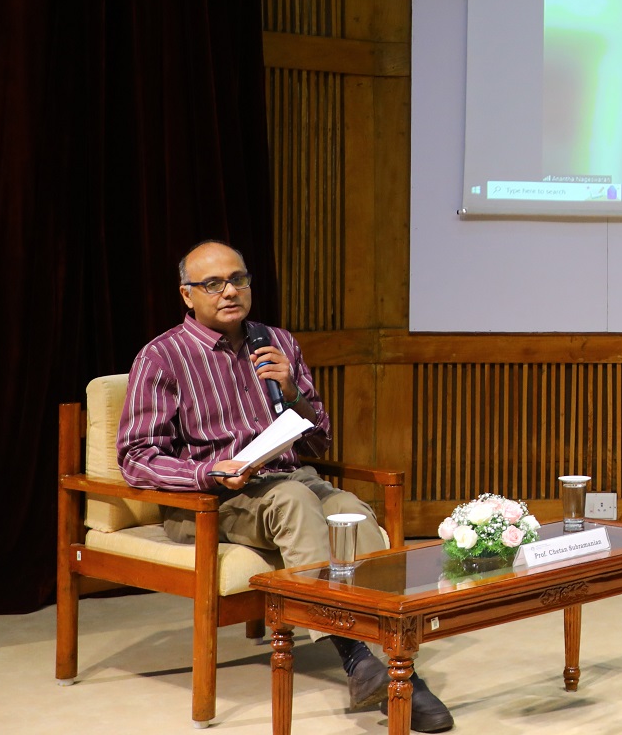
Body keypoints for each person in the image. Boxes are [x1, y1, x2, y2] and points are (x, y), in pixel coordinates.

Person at [117, 239, 454, 733]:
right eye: (213, 284)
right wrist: (209, 472)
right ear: (187, 295)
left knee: (349, 509)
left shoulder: (276, 342)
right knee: (295, 500)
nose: (229, 291)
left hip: (289, 476)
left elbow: (318, 444)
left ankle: (393, 660)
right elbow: (136, 457)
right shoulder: (163, 357)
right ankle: (356, 657)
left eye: (239, 279)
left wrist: (293, 393)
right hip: (211, 500)